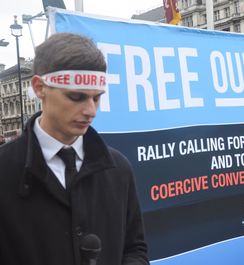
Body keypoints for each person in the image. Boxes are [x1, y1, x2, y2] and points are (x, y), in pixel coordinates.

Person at [0, 33, 149, 265]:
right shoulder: (5, 170)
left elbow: (135, 249)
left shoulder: (119, 169)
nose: (91, 111)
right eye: (76, 97)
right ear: (40, 88)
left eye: (97, 98)